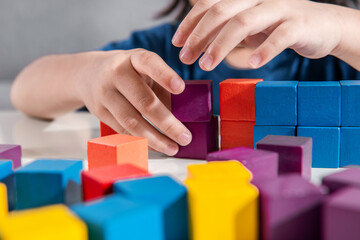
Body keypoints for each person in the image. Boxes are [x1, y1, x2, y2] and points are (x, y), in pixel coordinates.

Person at [10, 0, 360, 156]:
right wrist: (83, 73)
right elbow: (25, 88)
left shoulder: (336, 51)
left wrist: (343, 27)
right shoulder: (158, 51)